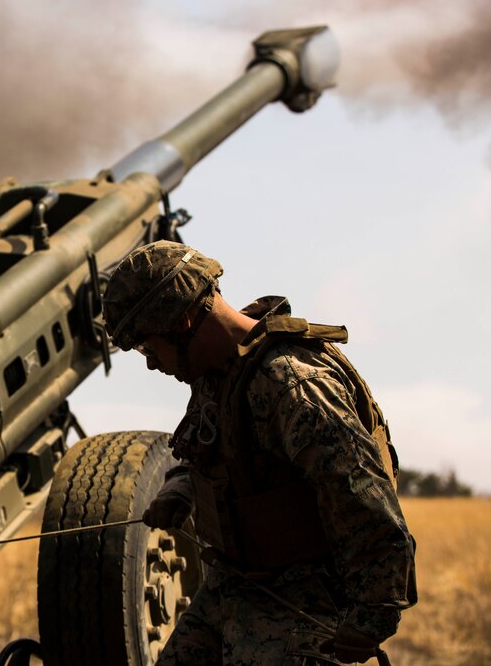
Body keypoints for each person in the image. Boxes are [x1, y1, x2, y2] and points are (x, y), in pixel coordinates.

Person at [101, 241, 417, 665]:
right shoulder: (219, 375)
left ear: (186, 320)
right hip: (231, 587)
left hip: (304, 599)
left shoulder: (291, 385)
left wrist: (371, 616)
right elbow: (205, 451)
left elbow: (364, 496)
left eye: (148, 347)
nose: (152, 365)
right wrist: (179, 492)